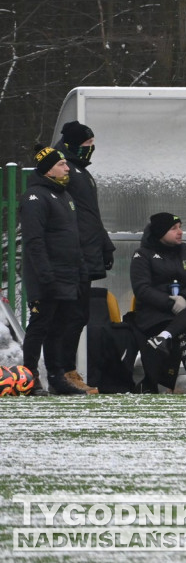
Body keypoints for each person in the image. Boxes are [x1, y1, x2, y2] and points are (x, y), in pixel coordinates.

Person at [19, 147, 89, 395]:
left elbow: (73, 238)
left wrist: (80, 271)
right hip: (46, 277)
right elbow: (34, 241)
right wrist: (45, 275)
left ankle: (56, 377)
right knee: (40, 326)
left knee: (60, 328)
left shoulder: (65, 197)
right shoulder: (35, 198)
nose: (67, 167)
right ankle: (29, 379)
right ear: (48, 168)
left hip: (68, 276)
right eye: (61, 164)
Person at [59, 121, 116, 395]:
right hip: (74, 256)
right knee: (69, 316)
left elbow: (90, 214)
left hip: (87, 254)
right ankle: (63, 372)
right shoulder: (64, 170)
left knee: (79, 315)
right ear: (72, 145)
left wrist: (105, 245)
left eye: (92, 145)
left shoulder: (81, 171)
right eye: (87, 145)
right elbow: (68, 217)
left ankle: (67, 371)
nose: (91, 150)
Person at [130, 213, 186, 394]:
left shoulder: (185, 251)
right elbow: (141, 289)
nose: (180, 232)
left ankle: (163, 338)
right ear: (160, 232)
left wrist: (184, 297)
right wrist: (170, 303)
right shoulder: (142, 254)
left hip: (183, 308)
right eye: (174, 228)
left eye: (180, 227)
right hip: (154, 314)